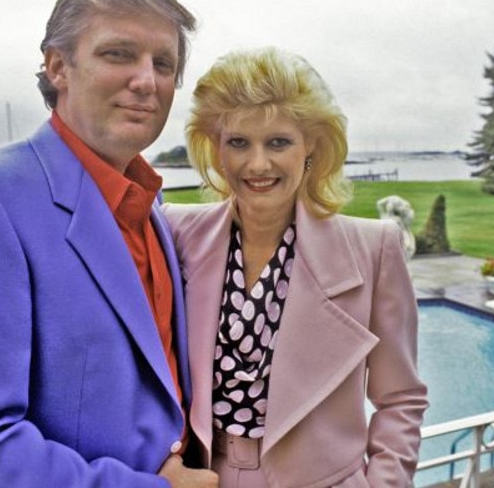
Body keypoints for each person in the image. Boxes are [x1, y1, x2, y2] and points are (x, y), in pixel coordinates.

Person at [0, 1, 218, 487]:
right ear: (58, 67)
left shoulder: (150, 206)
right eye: (119, 54)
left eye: (163, 63)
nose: (147, 81)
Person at [162, 47, 429, 488]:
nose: (258, 163)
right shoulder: (176, 231)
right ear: (216, 150)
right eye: (239, 142)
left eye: (278, 142)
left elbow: (400, 398)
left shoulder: (374, 248)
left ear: (311, 147)